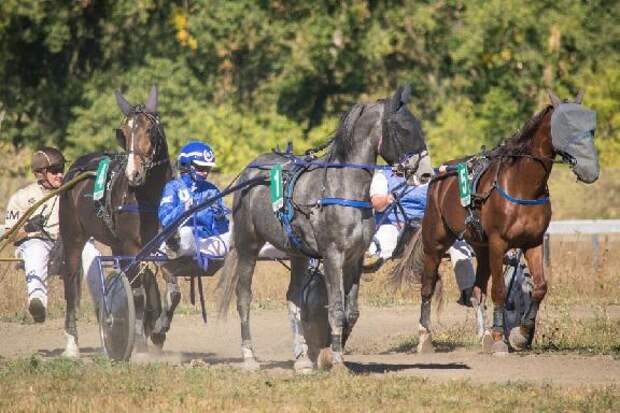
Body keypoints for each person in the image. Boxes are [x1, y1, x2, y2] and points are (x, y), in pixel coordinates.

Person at [4, 147, 101, 323]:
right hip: (38, 243)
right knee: (36, 249)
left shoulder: (74, 191)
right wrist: (29, 229)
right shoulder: (22, 197)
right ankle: (37, 301)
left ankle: (103, 303)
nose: (60, 175)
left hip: (69, 245)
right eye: (55, 171)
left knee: (90, 252)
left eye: (62, 170)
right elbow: (11, 235)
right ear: (40, 174)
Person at [367, 168, 476, 306]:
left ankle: (468, 291)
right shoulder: (384, 176)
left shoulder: (431, 176)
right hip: (394, 224)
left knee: (458, 244)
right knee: (380, 246)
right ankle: (369, 276)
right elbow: (377, 205)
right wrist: (387, 198)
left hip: (426, 228)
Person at [158, 141, 231, 263]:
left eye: (208, 168)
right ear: (187, 164)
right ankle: (173, 248)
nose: (205, 172)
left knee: (236, 234)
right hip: (181, 243)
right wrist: (184, 207)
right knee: (186, 233)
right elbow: (165, 221)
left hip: (207, 245)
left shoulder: (212, 190)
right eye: (201, 168)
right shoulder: (173, 187)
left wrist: (219, 217)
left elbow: (222, 232)